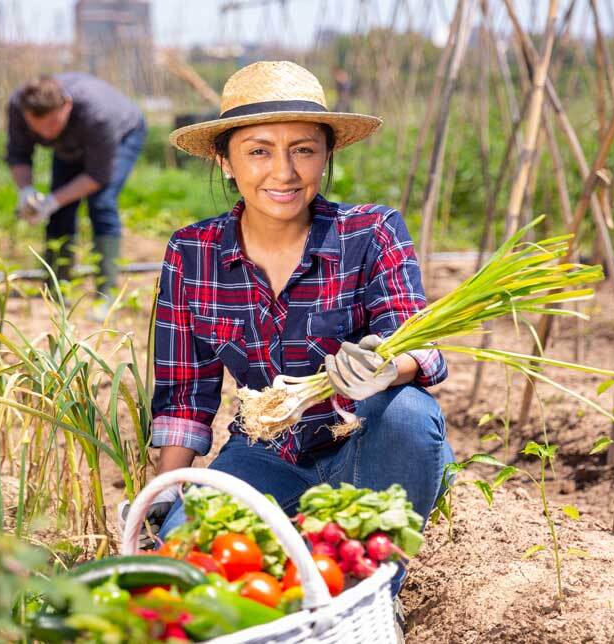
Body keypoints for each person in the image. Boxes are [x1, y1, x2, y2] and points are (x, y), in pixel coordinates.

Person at [147, 61, 455, 604]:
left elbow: (420, 346)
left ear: (327, 154)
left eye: (304, 150)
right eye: (259, 150)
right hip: (264, 449)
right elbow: (185, 393)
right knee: (189, 566)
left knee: (409, 412)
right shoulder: (192, 252)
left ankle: (374, 600)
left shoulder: (371, 232)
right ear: (225, 159)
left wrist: (388, 366)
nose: (284, 173)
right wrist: (164, 494)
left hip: (368, 442)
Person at [5, 74, 146, 305]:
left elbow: (97, 176)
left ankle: (105, 295)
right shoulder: (18, 106)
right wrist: (26, 191)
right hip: (70, 145)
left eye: (52, 124)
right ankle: (57, 288)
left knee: (101, 203)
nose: (46, 134)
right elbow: (18, 153)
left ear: (67, 105)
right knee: (60, 210)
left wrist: (52, 200)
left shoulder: (98, 114)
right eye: (37, 128)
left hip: (122, 134)